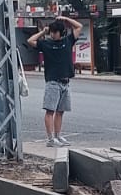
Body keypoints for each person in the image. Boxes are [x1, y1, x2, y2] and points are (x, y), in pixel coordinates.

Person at [26, 14, 82, 147]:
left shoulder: (68, 41)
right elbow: (30, 41)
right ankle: (50, 138)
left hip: (65, 82)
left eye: (55, 32)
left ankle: (57, 135)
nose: (52, 34)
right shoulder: (46, 44)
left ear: (61, 32)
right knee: (50, 110)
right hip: (53, 82)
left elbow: (79, 26)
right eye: (51, 32)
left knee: (60, 111)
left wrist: (66, 19)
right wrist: (43, 32)